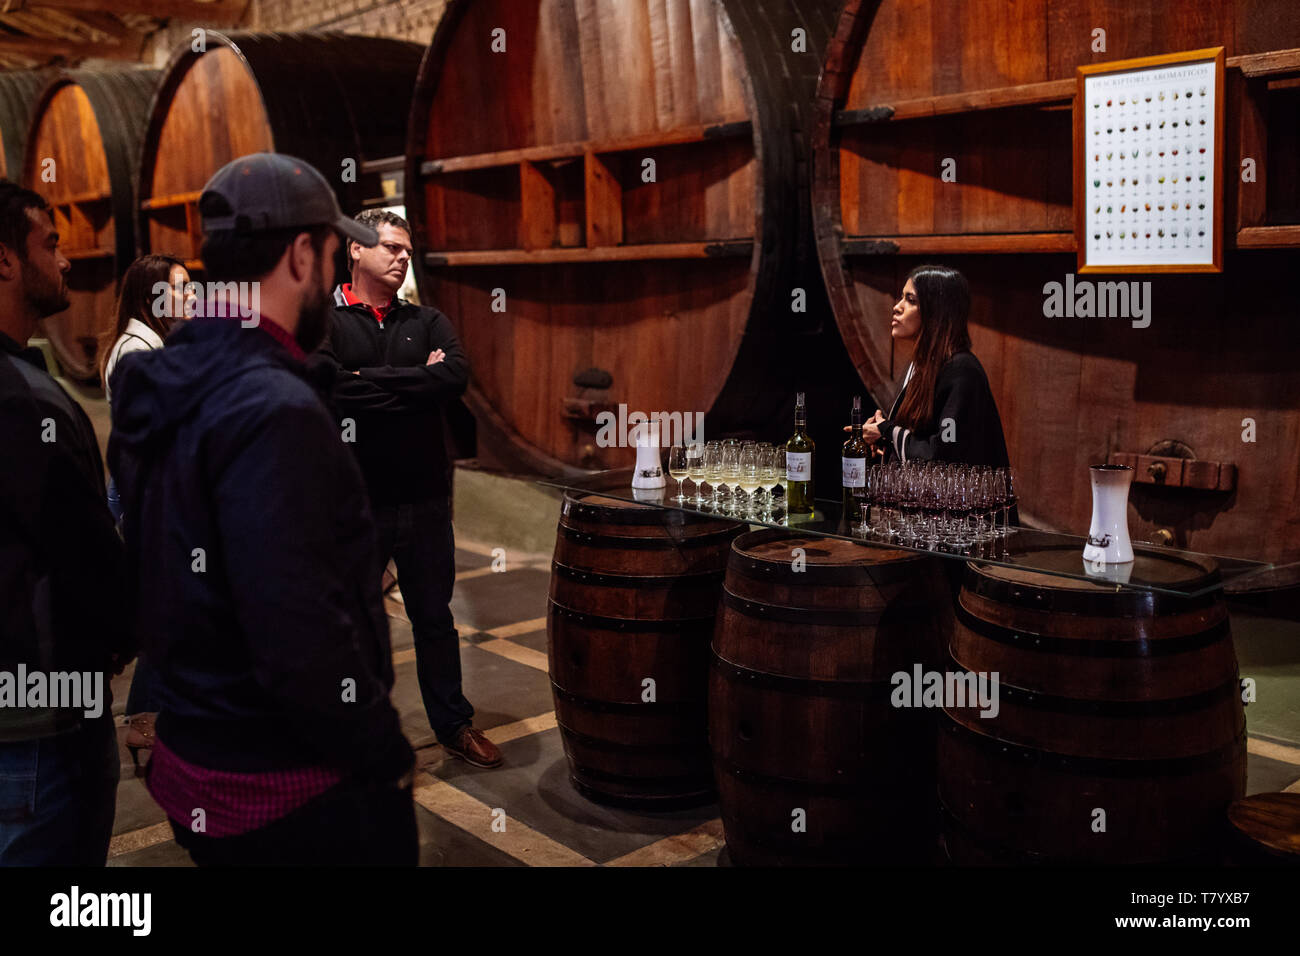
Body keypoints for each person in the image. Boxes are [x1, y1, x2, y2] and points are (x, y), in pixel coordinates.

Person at [109, 154, 416, 866]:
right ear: (302, 254)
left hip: (196, 758)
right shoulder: (272, 408)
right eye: (335, 252)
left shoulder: (169, 376)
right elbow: (296, 632)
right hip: (287, 787)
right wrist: (379, 745)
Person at [313, 209, 501, 768]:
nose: (401, 258)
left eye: (406, 251)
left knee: (435, 619)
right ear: (354, 249)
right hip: (355, 504)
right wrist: (417, 381)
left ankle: (453, 723)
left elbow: (455, 377)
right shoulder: (324, 320)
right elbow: (329, 389)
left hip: (424, 498)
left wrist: (365, 381)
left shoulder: (428, 320)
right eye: (390, 247)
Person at [0, 180, 130, 865]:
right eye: (49, 244)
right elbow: (89, 565)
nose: (66, 261)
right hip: (41, 733)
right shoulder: (27, 404)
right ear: (5, 261)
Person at [99, 253, 194, 773]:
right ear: (150, 295)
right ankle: (143, 721)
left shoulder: (150, 345)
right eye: (180, 288)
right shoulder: (140, 353)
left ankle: (151, 717)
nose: (191, 295)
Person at [862, 264, 1011, 467]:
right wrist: (883, 439)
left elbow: (944, 451)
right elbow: (919, 436)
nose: (897, 307)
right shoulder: (920, 366)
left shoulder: (961, 371)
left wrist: (887, 430)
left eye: (911, 300)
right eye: (902, 297)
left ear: (936, 313)